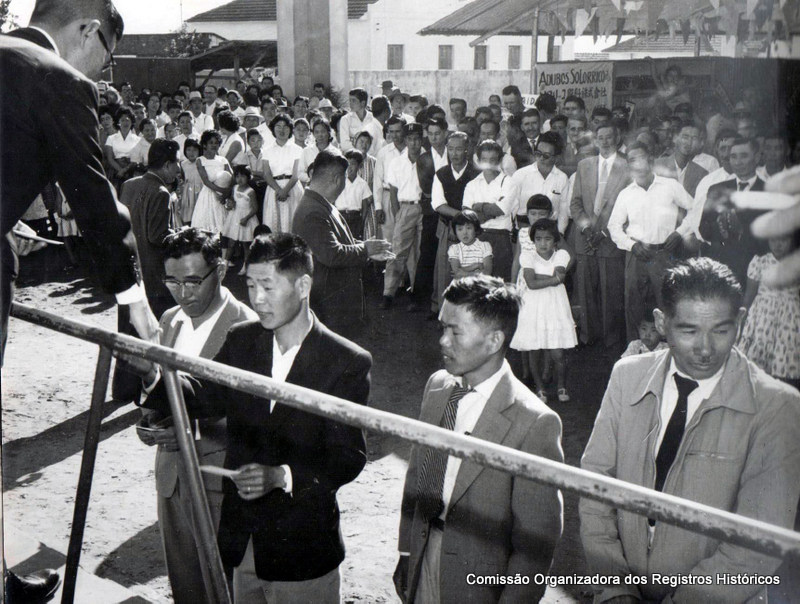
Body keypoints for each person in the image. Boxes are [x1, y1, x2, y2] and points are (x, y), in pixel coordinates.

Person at [143, 232, 372, 602]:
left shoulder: (345, 360)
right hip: (242, 541)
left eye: (268, 286)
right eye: (250, 285)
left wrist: (282, 476)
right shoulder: (242, 339)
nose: (258, 299)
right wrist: (151, 374)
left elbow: (348, 457)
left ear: (303, 286)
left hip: (301, 551)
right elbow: (203, 394)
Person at [580, 257, 800, 603]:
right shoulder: (627, 376)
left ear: (741, 321)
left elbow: (757, 544)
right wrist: (615, 587)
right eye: (689, 331)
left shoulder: (777, 406)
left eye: (721, 331)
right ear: (661, 323)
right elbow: (596, 485)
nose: (705, 348)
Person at [1, 0, 160, 382]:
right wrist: (132, 297)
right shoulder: (60, 80)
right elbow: (92, 195)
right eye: (108, 58)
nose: (102, 71)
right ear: (90, 31)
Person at [394, 275, 564, 604]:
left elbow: (536, 544)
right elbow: (417, 475)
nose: (443, 341)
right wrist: (407, 551)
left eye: (455, 331)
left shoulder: (535, 423)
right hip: (423, 556)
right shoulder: (438, 386)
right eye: (442, 328)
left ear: (494, 340)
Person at [132, 228, 257, 604]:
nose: (182, 293)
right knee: (185, 584)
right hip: (171, 478)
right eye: (172, 281)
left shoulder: (249, 329)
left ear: (221, 269)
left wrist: (193, 432)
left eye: (192, 281)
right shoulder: (169, 319)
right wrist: (149, 419)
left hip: (219, 485)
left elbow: (259, 420)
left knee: (223, 587)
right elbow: (160, 390)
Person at [292, 150, 391, 340]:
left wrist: (367, 248)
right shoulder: (313, 211)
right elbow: (332, 253)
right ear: (337, 179)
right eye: (345, 178)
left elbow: (337, 243)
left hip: (335, 301)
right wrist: (366, 249)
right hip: (330, 305)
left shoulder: (320, 203)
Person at [111, 139, 182, 403]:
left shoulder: (129, 185)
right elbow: (157, 236)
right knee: (155, 334)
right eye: (176, 164)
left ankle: (123, 389)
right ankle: (156, 392)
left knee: (127, 330)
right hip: (154, 276)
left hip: (128, 272)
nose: (178, 169)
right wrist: (181, 235)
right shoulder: (161, 192)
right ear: (167, 164)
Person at [607, 141, 695, 341]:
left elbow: (695, 208)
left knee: (666, 305)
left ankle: (668, 349)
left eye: (641, 158)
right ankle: (634, 350)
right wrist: (632, 245)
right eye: (632, 160)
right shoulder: (626, 194)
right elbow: (614, 226)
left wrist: (679, 233)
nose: (637, 164)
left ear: (651, 160)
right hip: (637, 256)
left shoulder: (670, 186)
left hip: (664, 255)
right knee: (634, 306)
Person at [570, 122, 629, 348]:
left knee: (611, 294)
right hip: (585, 239)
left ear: (617, 138)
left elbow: (628, 208)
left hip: (610, 240)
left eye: (609, 137)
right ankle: (588, 340)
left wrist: (604, 233)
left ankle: (610, 342)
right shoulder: (584, 165)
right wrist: (586, 228)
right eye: (600, 137)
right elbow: (576, 203)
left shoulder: (626, 167)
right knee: (586, 293)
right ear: (595, 140)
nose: (604, 141)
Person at [510, 219, 577, 403]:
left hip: (556, 307)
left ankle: (561, 385)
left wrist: (541, 277)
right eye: (538, 239)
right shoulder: (528, 256)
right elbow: (531, 283)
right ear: (533, 241)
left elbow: (557, 276)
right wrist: (553, 279)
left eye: (548, 239)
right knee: (534, 349)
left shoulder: (562, 254)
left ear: (555, 241)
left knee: (558, 353)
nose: (543, 243)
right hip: (534, 307)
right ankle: (540, 388)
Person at [696, 137, 768, 283]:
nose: (738, 162)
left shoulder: (768, 191)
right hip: (723, 268)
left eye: (744, 156)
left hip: (756, 272)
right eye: (733, 157)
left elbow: (771, 238)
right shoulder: (717, 189)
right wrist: (722, 228)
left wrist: (740, 231)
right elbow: (703, 229)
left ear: (756, 158)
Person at [738, 232, 800, 389]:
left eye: (783, 239)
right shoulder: (760, 262)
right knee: (758, 368)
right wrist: (741, 321)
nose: (778, 245)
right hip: (762, 319)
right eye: (773, 239)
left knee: (785, 366)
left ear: (792, 239)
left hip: (789, 320)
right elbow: (749, 296)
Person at [432, 132, 481, 311]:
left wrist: (466, 221)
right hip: (448, 228)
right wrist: (460, 217)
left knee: (470, 270)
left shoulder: (476, 174)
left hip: (472, 229)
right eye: (451, 149)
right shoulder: (441, 174)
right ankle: (444, 312)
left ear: (467, 150)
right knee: (447, 270)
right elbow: (438, 204)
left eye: (459, 149)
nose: (454, 153)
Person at [381, 122, 425, 309]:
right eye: (410, 139)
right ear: (405, 140)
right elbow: (393, 191)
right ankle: (388, 293)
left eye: (417, 139)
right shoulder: (397, 162)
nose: (414, 143)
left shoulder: (428, 159)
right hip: (405, 207)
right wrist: (398, 213)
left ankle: (416, 293)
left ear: (422, 140)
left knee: (420, 253)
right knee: (397, 250)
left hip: (424, 207)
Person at [462, 139, 517, 282]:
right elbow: (467, 216)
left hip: (500, 239)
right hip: (477, 237)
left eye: (493, 160)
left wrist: (478, 206)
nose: (488, 163)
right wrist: (491, 210)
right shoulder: (472, 185)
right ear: (479, 161)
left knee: (500, 284)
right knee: (477, 284)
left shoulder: (509, 182)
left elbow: (501, 209)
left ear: (499, 161)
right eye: (484, 160)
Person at [510, 131, 569, 233]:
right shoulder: (520, 175)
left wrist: (559, 233)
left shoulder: (562, 178)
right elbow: (512, 207)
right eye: (538, 154)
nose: (541, 158)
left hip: (549, 231)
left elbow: (563, 212)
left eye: (546, 156)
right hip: (523, 229)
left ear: (556, 158)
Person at [262, 114, 303, 234]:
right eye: (278, 126)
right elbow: (267, 174)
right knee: (274, 225)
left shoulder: (297, 149)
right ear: (273, 129)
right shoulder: (267, 150)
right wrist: (279, 190)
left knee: (292, 224)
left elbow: (296, 175)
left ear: (290, 129)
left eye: (285, 126)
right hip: (274, 189)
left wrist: (285, 191)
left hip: (292, 188)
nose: (282, 129)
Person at [191, 130, 233, 234]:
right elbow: (206, 181)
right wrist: (221, 191)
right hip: (209, 194)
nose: (214, 145)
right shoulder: (200, 160)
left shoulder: (223, 160)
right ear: (204, 145)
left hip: (225, 195)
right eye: (211, 143)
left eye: (216, 143)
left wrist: (227, 193)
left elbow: (232, 177)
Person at [222, 165, 260, 273]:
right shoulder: (234, 188)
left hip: (246, 218)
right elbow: (233, 201)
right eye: (237, 176)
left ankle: (245, 266)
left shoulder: (250, 191)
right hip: (235, 217)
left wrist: (246, 218)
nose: (240, 179)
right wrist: (230, 205)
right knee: (231, 242)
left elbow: (255, 208)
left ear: (248, 177)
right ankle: (224, 265)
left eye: (243, 176)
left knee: (245, 244)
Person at [654, 121, 708, 197]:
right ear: (675, 138)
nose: (689, 142)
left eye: (694, 138)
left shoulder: (701, 174)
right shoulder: (657, 165)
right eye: (685, 137)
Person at [333, 149, 372, 240]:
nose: (349, 167)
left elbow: (365, 205)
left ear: (359, 166)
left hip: (355, 218)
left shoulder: (362, 183)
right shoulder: (339, 181)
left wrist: (362, 221)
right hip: (340, 215)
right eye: (347, 163)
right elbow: (333, 200)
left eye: (353, 164)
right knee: (340, 240)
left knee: (354, 241)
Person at [447, 209, 492, 280]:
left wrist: (463, 273)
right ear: (455, 231)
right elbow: (456, 272)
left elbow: (487, 272)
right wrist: (476, 265)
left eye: (469, 228)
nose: (464, 232)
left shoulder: (485, 246)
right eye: (460, 229)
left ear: (475, 229)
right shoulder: (454, 248)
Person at [104, 106, 141, 190]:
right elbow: (110, 159)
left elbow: (137, 159)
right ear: (118, 122)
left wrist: (125, 170)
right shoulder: (111, 138)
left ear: (132, 122)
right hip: (115, 171)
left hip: (132, 171)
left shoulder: (138, 139)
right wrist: (120, 170)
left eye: (127, 120)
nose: (125, 123)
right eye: (122, 120)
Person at [339, 87, 378, 153]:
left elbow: (376, 142)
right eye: (350, 100)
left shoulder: (373, 118)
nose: (350, 103)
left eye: (353, 100)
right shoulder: (345, 119)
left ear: (363, 103)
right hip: (352, 156)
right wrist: (359, 153)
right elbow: (344, 144)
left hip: (371, 156)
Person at [179, 138, 203, 226]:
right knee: (188, 213)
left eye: (194, 150)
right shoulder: (183, 164)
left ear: (199, 151)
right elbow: (182, 178)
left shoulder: (202, 162)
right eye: (188, 150)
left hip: (200, 190)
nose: (191, 153)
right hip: (188, 192)